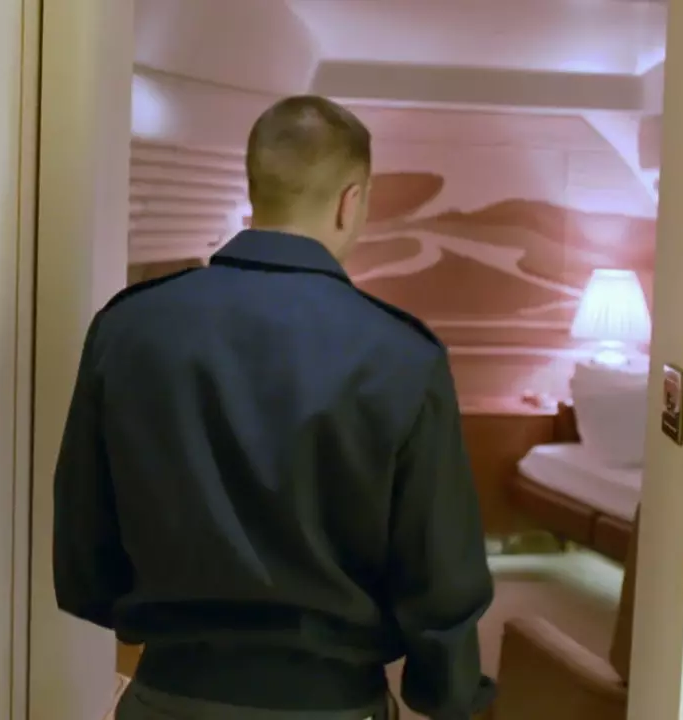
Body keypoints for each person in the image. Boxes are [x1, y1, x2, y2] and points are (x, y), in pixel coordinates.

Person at [53, 95, 495, 720]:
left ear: (255, 187)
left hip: (168, 695)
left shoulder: (128, 329)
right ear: (350, 201)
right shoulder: (402, 356)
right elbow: (439, 573)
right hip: (333, 704)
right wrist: (449, 696)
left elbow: (84, 549)